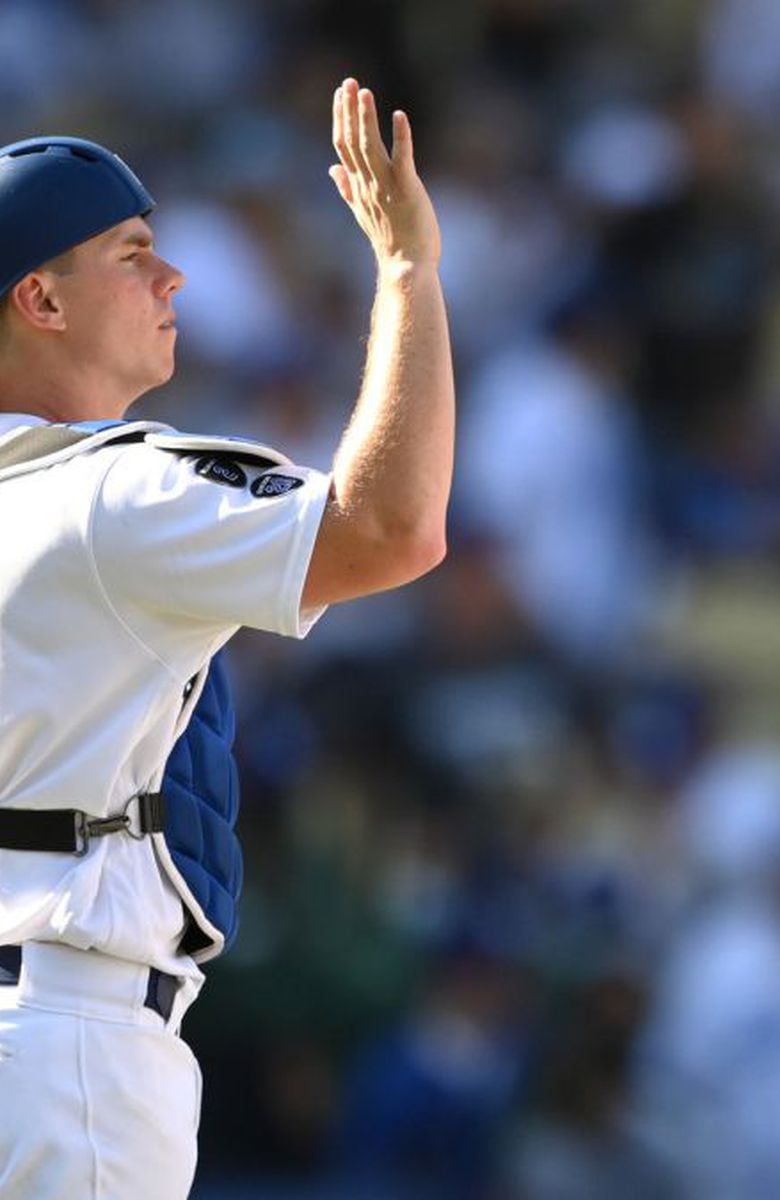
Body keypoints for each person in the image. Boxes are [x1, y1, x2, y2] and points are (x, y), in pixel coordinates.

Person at [0, 78, 454, 1198]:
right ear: (40, 302)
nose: (172, 276)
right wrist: (409, 276)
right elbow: (391, 530)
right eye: (131, 251)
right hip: (68, 1043)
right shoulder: (111, 494)